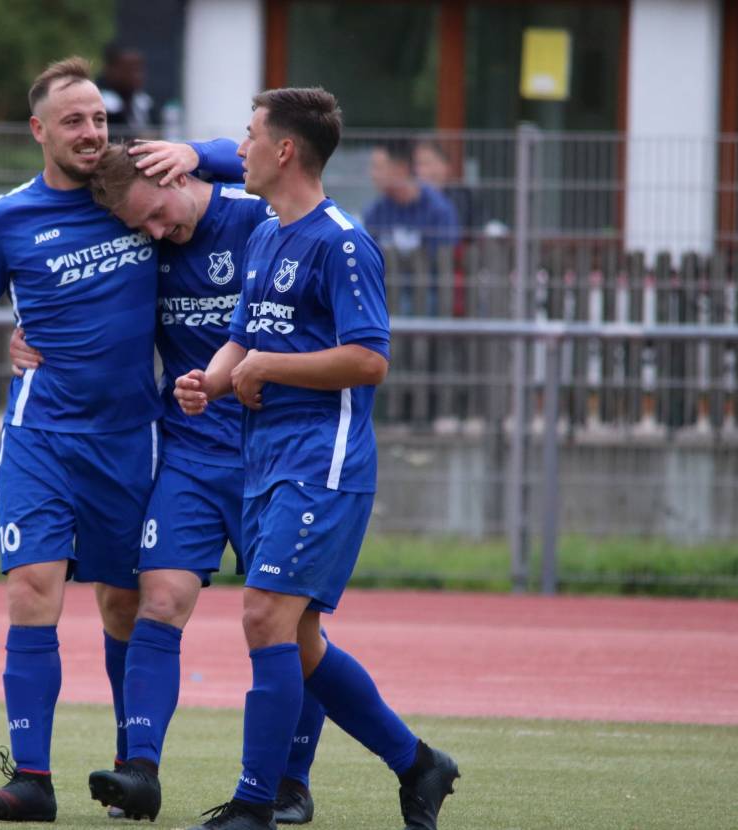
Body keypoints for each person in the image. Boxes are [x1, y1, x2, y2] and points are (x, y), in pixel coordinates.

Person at [0, 56, 241, 824]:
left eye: (100, 117)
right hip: (41, 435)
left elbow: (259, 160)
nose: (92, 131)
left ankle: (138, 769)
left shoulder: (137, 195)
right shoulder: (6, 218)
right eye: (74, 120)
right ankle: (31, 778)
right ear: (40, 131)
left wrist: (197, 152)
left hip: (135, 439)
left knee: (125, 604)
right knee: (32, 587)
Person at [9, 143, 326, 825]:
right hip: (186, 454)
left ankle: (292, 783)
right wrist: (28, 337)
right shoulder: (145, 244)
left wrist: (206, 150)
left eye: (155, 215)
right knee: (158, 597)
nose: (153, 233)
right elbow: (93, 310)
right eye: (139, 226)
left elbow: (294, 162)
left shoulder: (260, 220)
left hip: (276, 456)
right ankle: (140, 769)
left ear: (181, 176)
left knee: (293, 629)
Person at [173, 88, 460, 830]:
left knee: (265, 617)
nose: (238, 149)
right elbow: (247, 333)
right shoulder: (268, 233)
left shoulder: (342, 242)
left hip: (322, 465)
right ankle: (418, 763)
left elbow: (369, 360)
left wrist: (266, 367)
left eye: (248, 136)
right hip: (265, 459)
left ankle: (256, 803)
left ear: (285, 150)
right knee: (297, 639)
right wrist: (210, 378)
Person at [364, 139, 459, 317]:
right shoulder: (374, 212)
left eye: (378, 167)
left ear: (401, 168)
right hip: (387, 292)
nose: (372, 174)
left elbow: (444, 261)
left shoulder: (438, 209)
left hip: (430, 292)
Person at [412, 139, 484, 241]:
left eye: (425, 163)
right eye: (417, 164)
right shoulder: (410, 200)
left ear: (445, 166)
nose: (418, 170)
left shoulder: (464, 197)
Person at [98, 43, 155, 137]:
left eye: (139, 69)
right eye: (129, 69)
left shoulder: (145, 103)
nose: (138, 76)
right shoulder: (101, 104)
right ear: (110, 69)